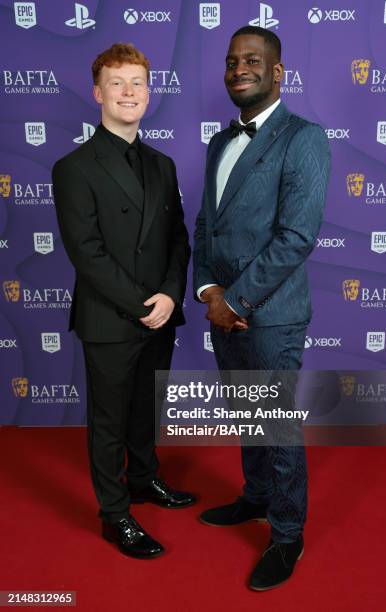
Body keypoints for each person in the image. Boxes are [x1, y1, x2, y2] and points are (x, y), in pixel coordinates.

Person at [193, 26, 330, 589]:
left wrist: (237, 299)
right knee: (248, 415)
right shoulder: (219, 144)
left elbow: (296, 236)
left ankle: (287, 533)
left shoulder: (304, 138)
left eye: (252, 60)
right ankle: (254, 498)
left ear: (278, 73)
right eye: (231, 61)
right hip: (223, 309)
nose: (238, 69)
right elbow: (206, 226)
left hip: (270, 314)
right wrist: (207, 291)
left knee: (275, 426)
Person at [52, 43, 194, 560]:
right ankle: (115, 514)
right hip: (111, 317)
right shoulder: (73, 167)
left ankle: (145, 481)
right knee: (110, 421)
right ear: (98, 93)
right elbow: (86, 253)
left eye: (137, 82)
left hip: (161, 313)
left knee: (143, 411)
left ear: (149, 93)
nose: (129, 92)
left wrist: (171, 295)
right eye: (118, 83)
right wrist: (142, 302)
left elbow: (178, 238)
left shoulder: (164, 164)